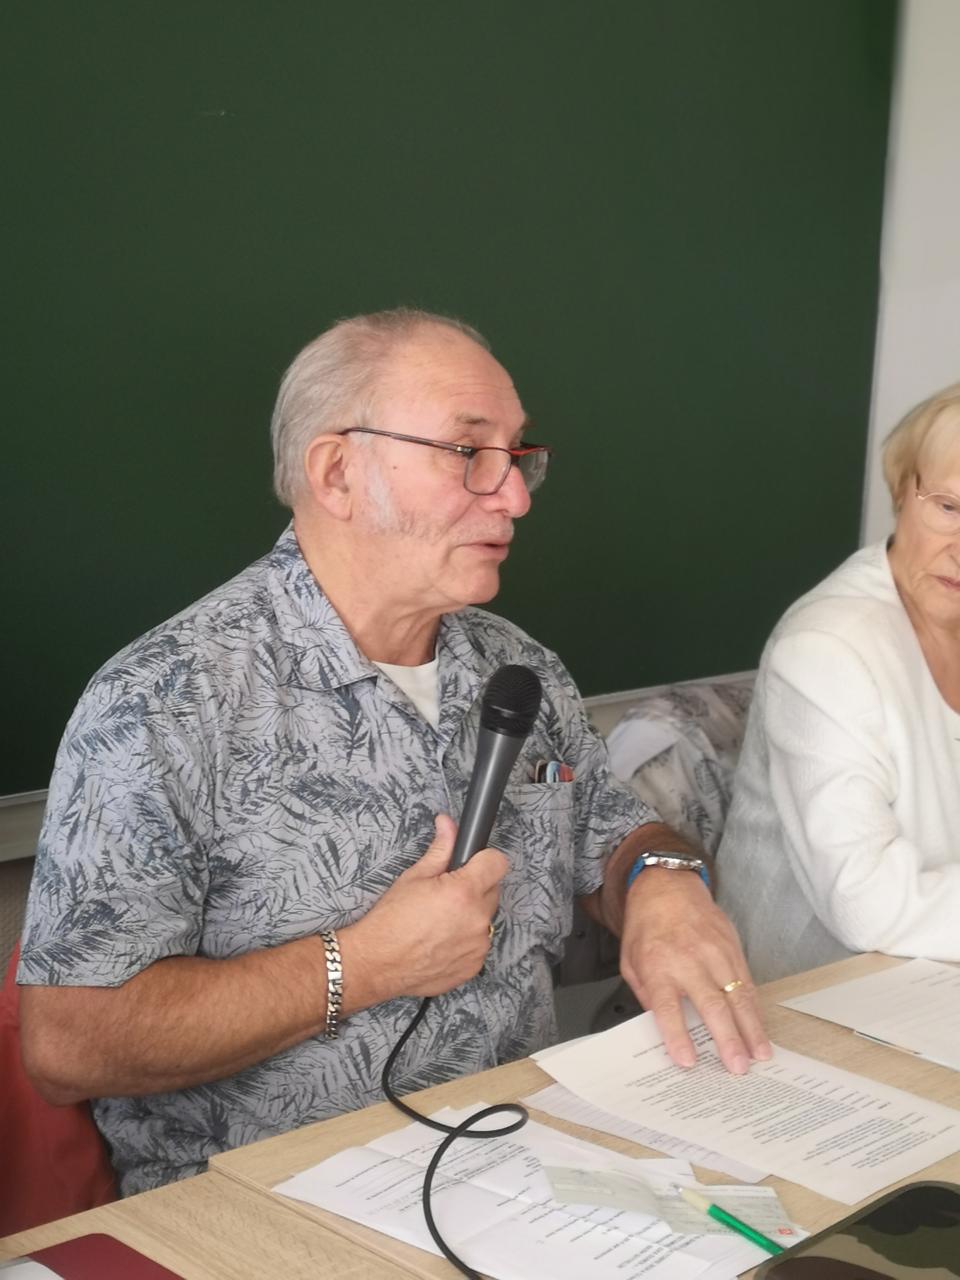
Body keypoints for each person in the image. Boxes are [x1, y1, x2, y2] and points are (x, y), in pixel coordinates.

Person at [19, 308, 768, 1196]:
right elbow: (68, 1042)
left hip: (528, 1157)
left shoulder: (518, 666)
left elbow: (612, 832)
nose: (516, 497)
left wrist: (664, 882)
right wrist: (362, 965)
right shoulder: (167, 700)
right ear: (338, 472)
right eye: (469, 453)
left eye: (520, 456)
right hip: (270, 1204)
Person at [718, 383, 960, 982]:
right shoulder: (828, 646)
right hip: (812, 1008)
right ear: (903, 491)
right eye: (950, 508)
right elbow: (867, 904)